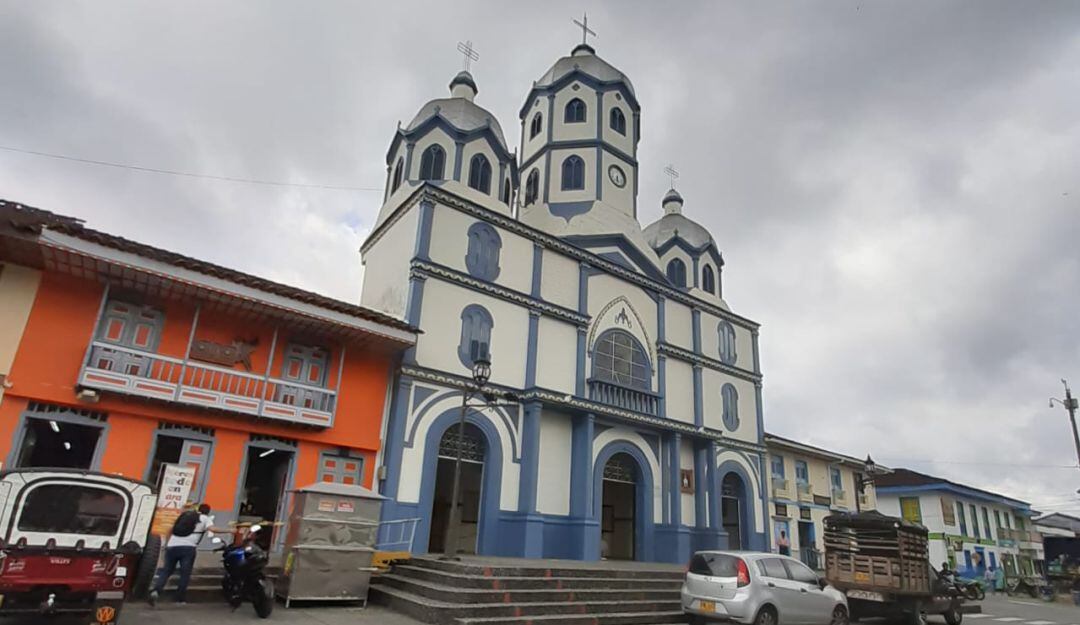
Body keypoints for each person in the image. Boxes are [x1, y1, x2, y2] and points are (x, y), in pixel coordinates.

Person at [149, 503, 220, 606]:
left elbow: (170, 530)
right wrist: (231, 530)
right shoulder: (205, 518)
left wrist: (167, 545)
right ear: (208, 511)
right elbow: (213, 529)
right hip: (188, 548)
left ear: (198, 509)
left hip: (172, 546)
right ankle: (179, 599)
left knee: (166, 571)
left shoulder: (186, 516)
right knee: (185, 574)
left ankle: (156, 591)